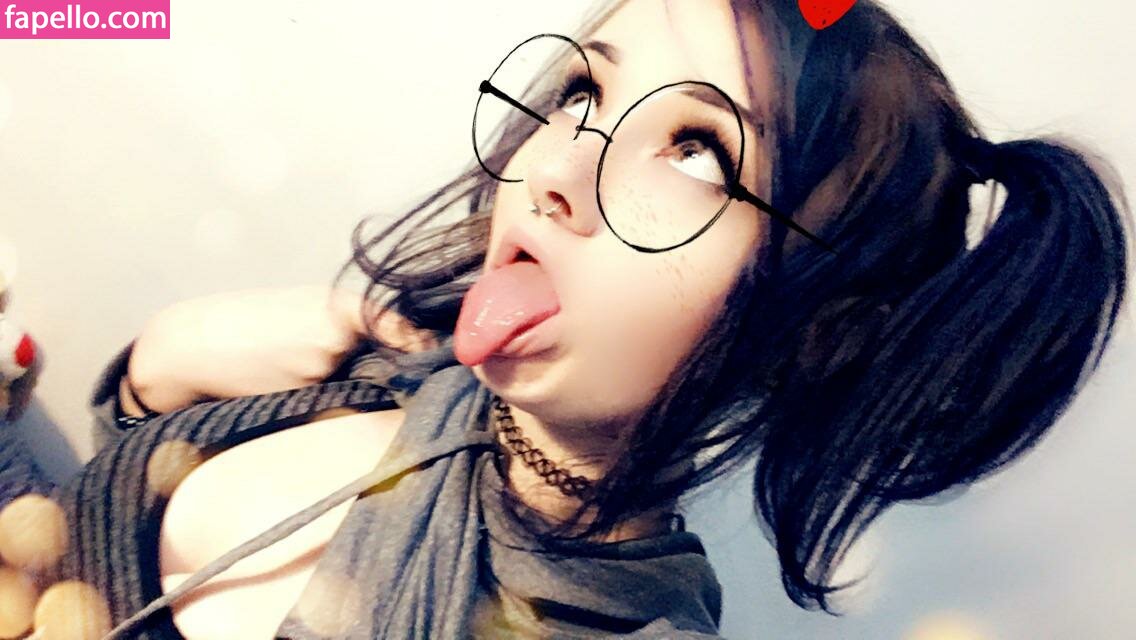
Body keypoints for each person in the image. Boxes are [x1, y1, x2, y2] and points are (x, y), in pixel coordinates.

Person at [1, 0, 1130, 637]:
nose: (555, 169)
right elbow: (71, 545)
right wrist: (151, 380)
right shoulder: (390, 368)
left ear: (815, 326)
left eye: (699, 151)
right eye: (586, 91)